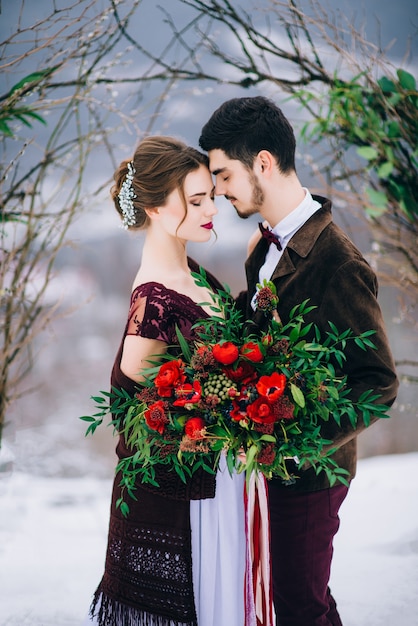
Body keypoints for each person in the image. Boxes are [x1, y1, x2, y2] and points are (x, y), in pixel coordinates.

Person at [199, 96, 399, 626]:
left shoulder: (338, 262)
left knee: (299, 607)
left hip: (313, 473)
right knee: (288, 599)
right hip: (267, 468)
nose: (219, 190)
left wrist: (295, 450)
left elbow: (378, 382)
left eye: (223, 175)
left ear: (263, 162)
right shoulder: (265, 249)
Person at [85, 136, 263, 626]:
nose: (213, 210)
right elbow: (138, 403)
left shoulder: (193, 274)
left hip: (222, 480)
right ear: (156, 209)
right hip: (187, 495)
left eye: (211, 196)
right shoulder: (153, 298)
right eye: (197, 200)